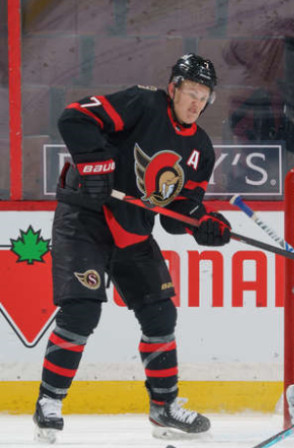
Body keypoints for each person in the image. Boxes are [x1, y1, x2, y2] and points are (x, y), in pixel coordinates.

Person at [33, 54, 232, 443]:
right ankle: (49, 402)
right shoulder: (144, 104)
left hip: (133, 230)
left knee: (160, 316)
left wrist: (204, 225)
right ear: (173, 88)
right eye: (190, 91)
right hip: (85, 220)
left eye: (203, 95)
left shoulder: (201, 149)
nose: (196, 102)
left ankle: (164, 408)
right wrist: (96, 165)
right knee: (82, 310)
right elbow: (74, 117)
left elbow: (177, 215)